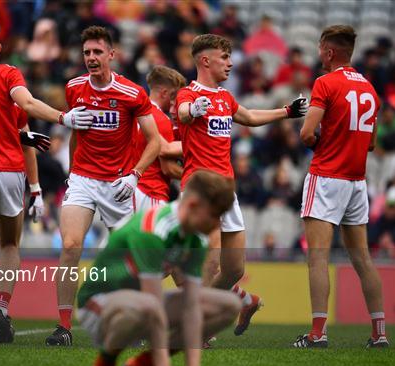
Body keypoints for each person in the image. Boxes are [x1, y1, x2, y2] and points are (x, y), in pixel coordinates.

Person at [0, 19, 92, 344]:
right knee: (9, 244)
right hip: (9, 171)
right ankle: (2, 308)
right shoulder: (9, 75)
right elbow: (27, 120)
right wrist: (63, 118)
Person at [175, 34, 307, 335]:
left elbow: (247, 116)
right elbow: (183, 113)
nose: (231, 63)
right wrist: (192, 112)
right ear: (205, 60)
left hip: (226, 190)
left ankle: (237, 304)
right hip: (199, 189)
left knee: (235, 268)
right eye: (224, 57)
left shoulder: (224, 97)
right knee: (207, 262)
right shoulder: (188, 94)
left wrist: (286, 112)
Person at [77, 170, 241, 366]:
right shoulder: (153, 230)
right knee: (150, 306)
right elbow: (154, 306)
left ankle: (144, 364)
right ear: (193, 205)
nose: (217, 224)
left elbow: (192, 307)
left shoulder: (195, 240)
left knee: (229, 306)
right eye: (214, 215)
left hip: (141, 303)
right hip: (97, 306)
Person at [46, 26, 161, 346]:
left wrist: (135, 174)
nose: (91, 58)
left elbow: (154, 141)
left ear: (112, 54)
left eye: (97, 52)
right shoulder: (74, 88)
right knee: (70, 246)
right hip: (83, 179)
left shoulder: (132, 93)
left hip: (119, 183)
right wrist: (71, 173)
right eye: (86, 53)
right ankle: (64, 326)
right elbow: (75, 132)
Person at [294, 25, 389, 348]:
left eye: (321, 49)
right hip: (356, 182)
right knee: (363, 258)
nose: (319, 55)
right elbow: (372, 144)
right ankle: (379, 332)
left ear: (330, 51)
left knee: (318, 257)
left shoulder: (325, 83)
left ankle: (317, 333)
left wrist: (323, 143)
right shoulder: (370, 89)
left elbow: (307, 133)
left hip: (327, 176)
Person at [133, 65, 185, 212]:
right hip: (151, 191)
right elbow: (168, 168)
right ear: (164, 93)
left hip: (130, 189)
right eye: (174, 96)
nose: (176, 101)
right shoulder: (160, 120)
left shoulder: (135, 114)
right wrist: (195, 176)